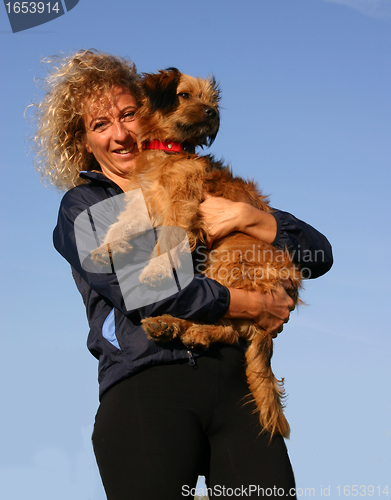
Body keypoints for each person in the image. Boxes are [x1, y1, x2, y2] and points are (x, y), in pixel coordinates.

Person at [33, 49, 333, 499]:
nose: (120, 134)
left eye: (129, 114)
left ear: (149, 112)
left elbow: (319, 253)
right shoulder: (86, 207)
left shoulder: (207, 178)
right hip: (147, 387)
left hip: (237, 388)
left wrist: (245, 217)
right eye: (100, 125)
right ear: (83, 142)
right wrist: (252, 304)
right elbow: (148, 290)